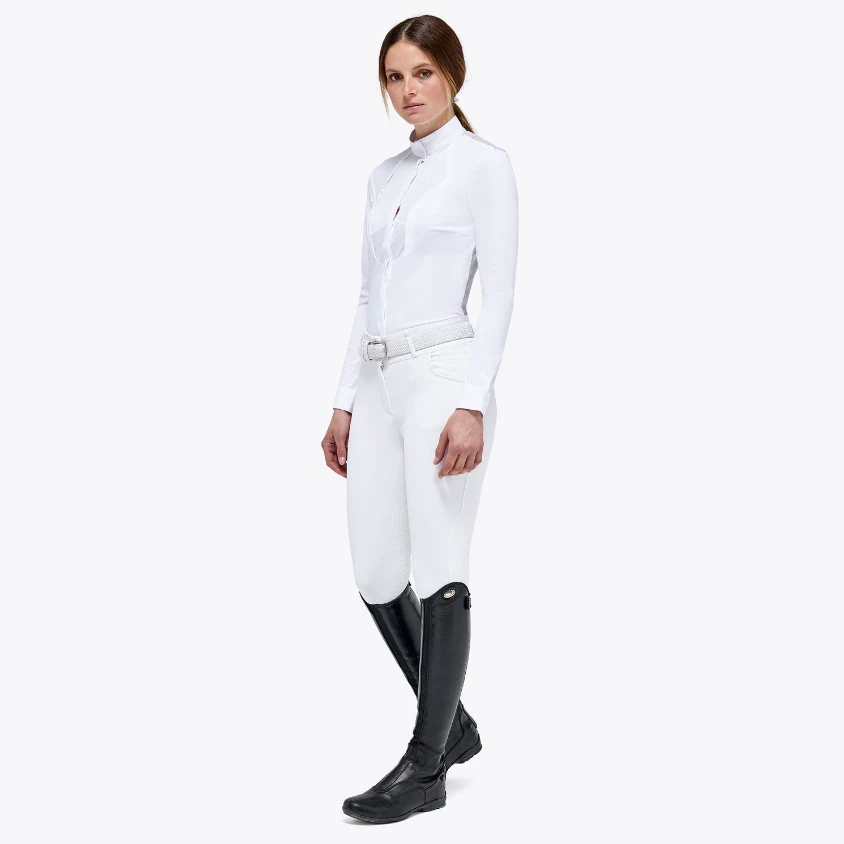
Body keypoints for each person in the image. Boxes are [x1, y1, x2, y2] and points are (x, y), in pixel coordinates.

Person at [320, 14, 519, 824]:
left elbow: (499, 293)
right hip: (378, 379)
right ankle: (455, 725)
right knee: (375, 571)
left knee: (439, 564)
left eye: (423, 73)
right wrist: (342, 399)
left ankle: (426, 764)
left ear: (453, 74)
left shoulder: (484, 166)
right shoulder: (383, 176)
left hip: (443, 374)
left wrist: (471, 401)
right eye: (395, 77)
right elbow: (366, 294)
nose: (408, 91)